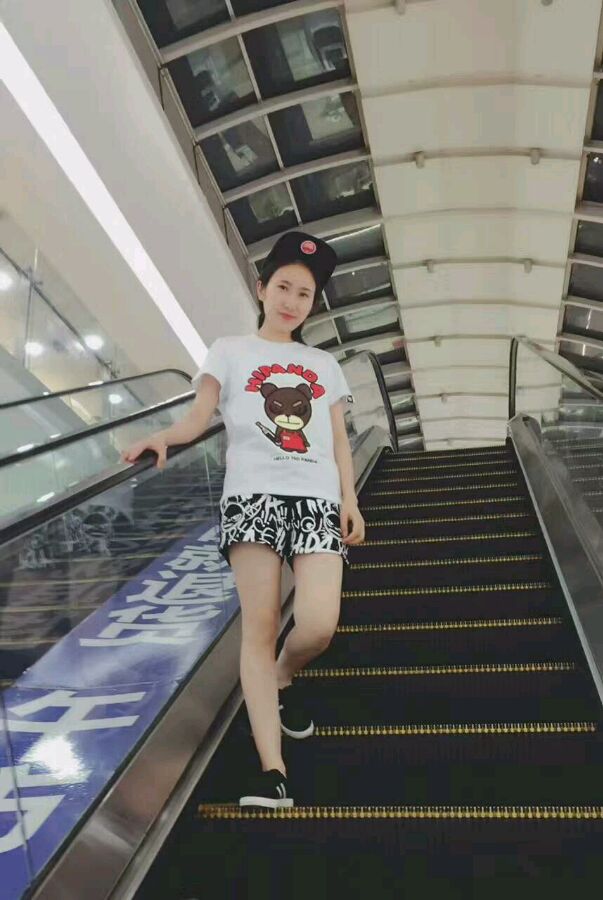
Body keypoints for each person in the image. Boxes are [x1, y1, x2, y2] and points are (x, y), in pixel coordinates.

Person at [122, 230, 365, 809]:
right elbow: (199, 417)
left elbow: (337, 439)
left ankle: (283, 674)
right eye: (283, 287)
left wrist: (349, 499)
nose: (292, 301)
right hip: (251, 497)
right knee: (258, 626)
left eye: (304, 294)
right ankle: (272, 770)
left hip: (315, 500)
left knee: (318, 624)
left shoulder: (323, 364)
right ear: (261, 288)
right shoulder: (228, 350)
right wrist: (164, 437)